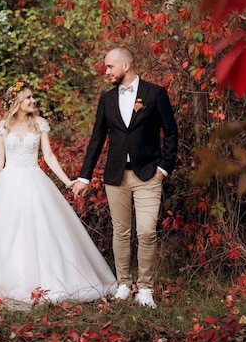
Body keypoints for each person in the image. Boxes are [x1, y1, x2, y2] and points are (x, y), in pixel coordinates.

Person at [0, 80, 117, 308]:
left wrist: (67, 181)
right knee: (4, 233)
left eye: (32, 97)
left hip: (34, 181)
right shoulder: (2, 127)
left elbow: (49, 157)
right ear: (16, 102)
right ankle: (1, 279)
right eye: (28, 97)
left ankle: (46, 280)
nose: (33, 101)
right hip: (7, 185)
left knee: (41, 230)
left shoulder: (40, 124)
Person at [72, 47, 178, 309]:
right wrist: (85, 177)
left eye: (109, 66)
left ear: (126, 65)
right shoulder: (107, 99)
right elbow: (97, 139)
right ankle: (123, 283)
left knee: (146, 232)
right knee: (121, 232)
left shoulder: (155, 94)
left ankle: (145, 288)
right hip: (115, 176)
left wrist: (163, 169)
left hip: (147, 175)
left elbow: (171, 132)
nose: (106, 71)